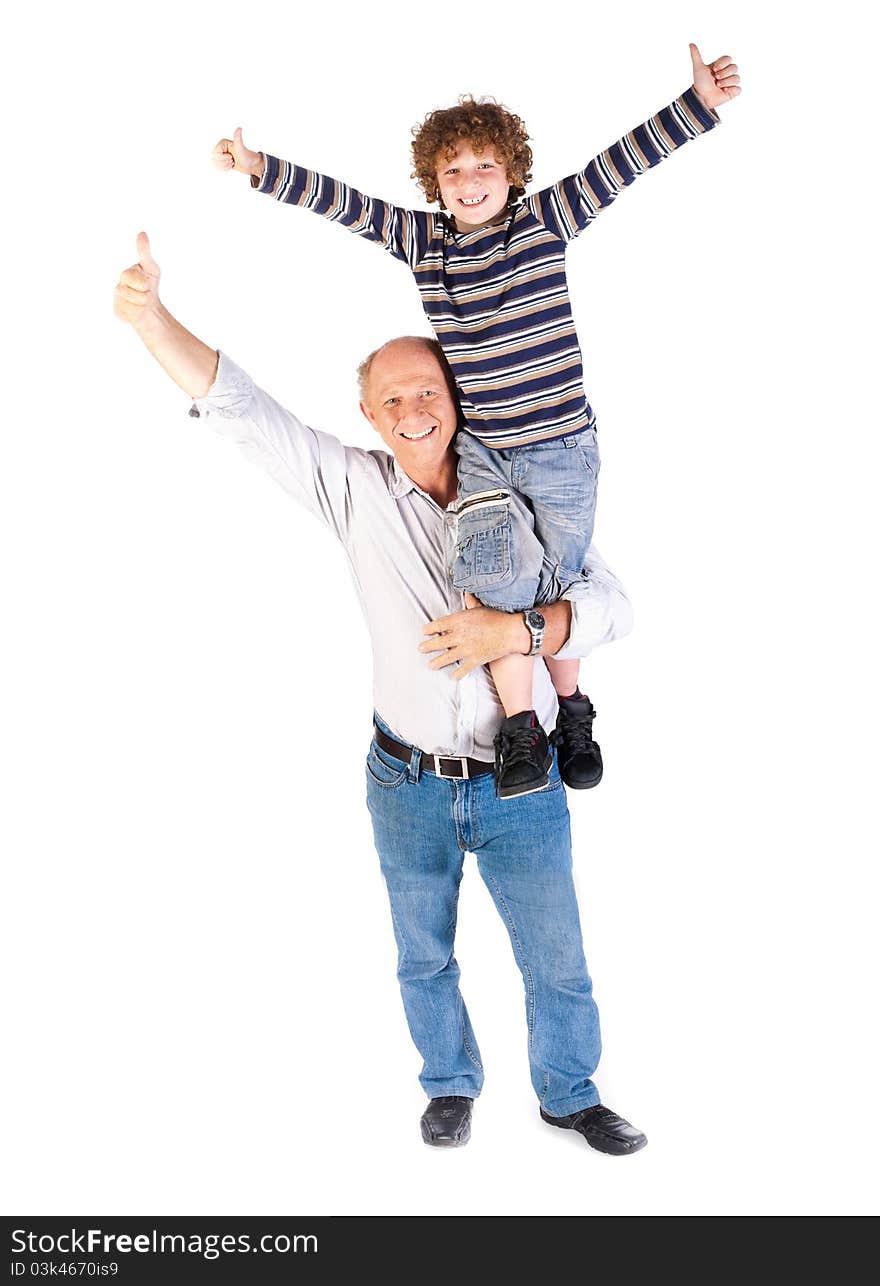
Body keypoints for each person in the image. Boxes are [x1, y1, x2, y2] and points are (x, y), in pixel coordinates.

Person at [113, 234, 647, 1154]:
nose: (412, 410)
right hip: (407, 782)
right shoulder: (353, 491)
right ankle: (448, 1084)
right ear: (368, 411)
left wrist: (512, 634)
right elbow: (240, 408)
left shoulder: (521, 491)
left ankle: (570, 1093)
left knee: (556, 960)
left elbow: (612, 607)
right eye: (392, 398)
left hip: (526, 783)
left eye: (428, 392)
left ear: (458, 399)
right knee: (422, 953)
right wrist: (150, 316)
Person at [211, 43, 740, 799]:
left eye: (484, 166)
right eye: (452, 171)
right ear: (435, 184)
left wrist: (695, 106)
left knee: (561, 578)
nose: (469, 182)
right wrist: (261, 168)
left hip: (561, 448)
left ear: (512, 174)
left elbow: (617, 166)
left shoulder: (546, 222)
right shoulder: (424, 244)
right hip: (487, 450)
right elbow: (344, 204)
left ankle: (575, 712)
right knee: (494, 572)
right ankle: (523, 728)